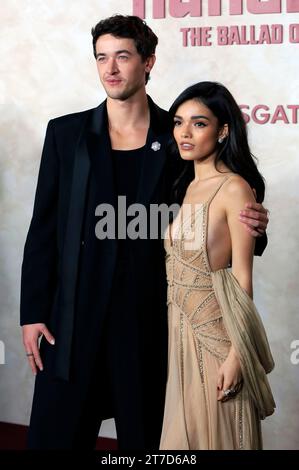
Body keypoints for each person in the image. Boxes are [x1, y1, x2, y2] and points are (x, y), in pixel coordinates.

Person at [20, 16, 269, 450]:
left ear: (148, 62)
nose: (110, 68)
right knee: (53, 439)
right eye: (101, 57)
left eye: (122, 56)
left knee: (148, 447)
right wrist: (32, 311)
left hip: (149, 325)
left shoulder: (176, 137)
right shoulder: (66, 134)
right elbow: (42, 229)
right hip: (73, 321)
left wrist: (255, 226)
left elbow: (214, 206)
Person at [159, 81, 275, 450]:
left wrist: (237, 356)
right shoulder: (183, 186)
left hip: (217, 340)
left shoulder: (235, 188)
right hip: (179, 333)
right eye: (179, 122)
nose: (185, 133)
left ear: (223, 130)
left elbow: (242, 280)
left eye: (199, 123)